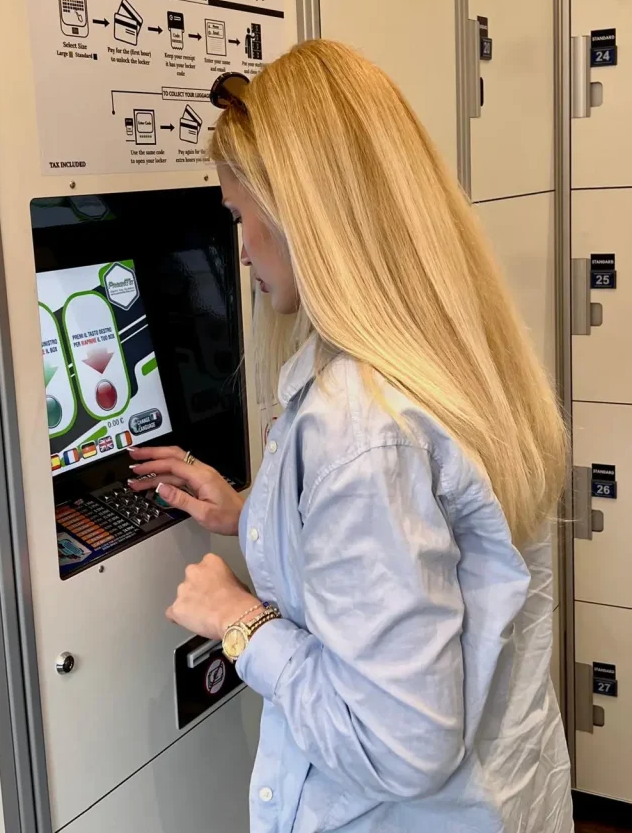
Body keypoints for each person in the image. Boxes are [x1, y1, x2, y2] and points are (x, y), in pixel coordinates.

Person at [129, 41, 573, 833]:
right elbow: (432, 552)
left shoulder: (358, 425)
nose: (240, 248)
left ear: (301, 213)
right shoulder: (458, 353)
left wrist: (238, 620)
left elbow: (399, 747)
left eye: (241, 216)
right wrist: (259, 513)